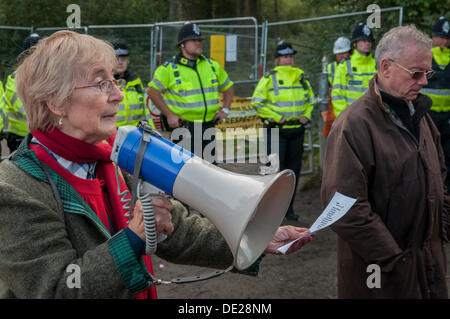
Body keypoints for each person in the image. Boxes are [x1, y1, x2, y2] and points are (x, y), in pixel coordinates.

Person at [0, 30, 313, 299]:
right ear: (56, 102)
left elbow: (177, 230)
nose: (119, 95)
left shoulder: (115, 159)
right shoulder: (16, 189)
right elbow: (57, 288)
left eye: (114, 81)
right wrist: (134, 238)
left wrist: (254, 237)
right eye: (101, 84)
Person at [321, 25, 449, 298]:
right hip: (380, 277)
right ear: (386, 67)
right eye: (416, 73)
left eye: (427, 73)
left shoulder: (422, 118)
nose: (424, 82)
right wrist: (396, 260)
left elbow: (440, 182)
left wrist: (439, 236)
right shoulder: (354, 126)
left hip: (428, 269)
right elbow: (344, 208)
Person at [147, 22, 234, 162]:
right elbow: (152, 91)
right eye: (194, 40)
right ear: (182, 44)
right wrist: (169, 115)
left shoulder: (211, 65)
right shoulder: (169, 68)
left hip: (208, 125)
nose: (198, 43)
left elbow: (228, 86)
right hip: (184, 127)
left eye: (199, 40)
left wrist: (226, 109)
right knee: (184, 171)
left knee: (210, 170)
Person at [251, 41, 316, 221]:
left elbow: (311, 100)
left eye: (291, 56)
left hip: (297, 130)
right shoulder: (269, 77)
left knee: (293, 172)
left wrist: (307, 115)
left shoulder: (301, 76)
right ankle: (268, 210)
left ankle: (288, 209)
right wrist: (275, 116)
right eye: (285, 56)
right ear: (278, 60)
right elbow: (257, 102)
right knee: (273, 172)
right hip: (276, 131)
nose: (288, 59)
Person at [0, 33, 42, 154]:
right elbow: (22, 108)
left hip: (41, 136)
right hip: (21, 136)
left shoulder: (46, 77)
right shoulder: (16, 77)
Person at [421, 16, 450, 189]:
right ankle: (428, 187)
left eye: (447, 37)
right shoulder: (425, 57)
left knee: (448, 155)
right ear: (433, 37)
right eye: (441, 36)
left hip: (448, 117)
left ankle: (445, 192)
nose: (445, 40)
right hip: (428, 115)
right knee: (429, 154)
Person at [331, 23, 377, 117]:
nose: (367, 43)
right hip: (352, 119)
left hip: (374, 117)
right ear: (355, 43)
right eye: (363, 40)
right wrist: (344, 117)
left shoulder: (377, 64)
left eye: (369, 41)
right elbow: (337, 95)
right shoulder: (345, 66)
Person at [113, 43, 155, 129]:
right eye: (116, 59)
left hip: (134, 133)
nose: (120, 62)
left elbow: (144, 110)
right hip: (111, 134)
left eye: (123, 59)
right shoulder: (104, 83)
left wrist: (152, 130)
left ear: (128, 61)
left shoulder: (136, 81)